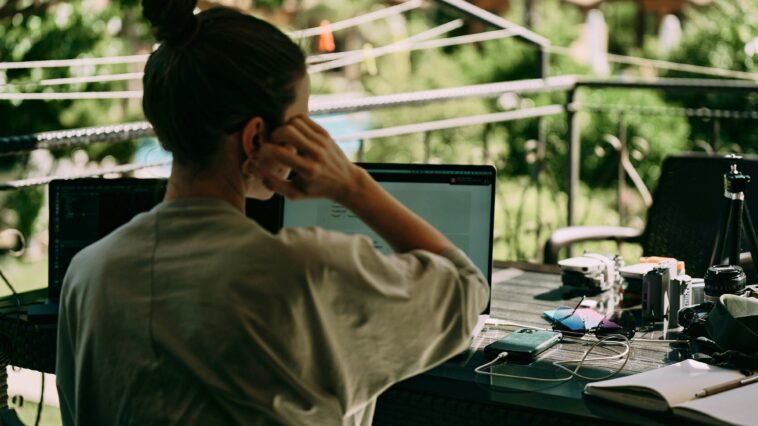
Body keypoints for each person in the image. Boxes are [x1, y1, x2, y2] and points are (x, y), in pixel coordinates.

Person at [55, 0, 489, 425]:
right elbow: (468, 290)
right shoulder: (307, 274)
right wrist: (352, 186)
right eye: (302, 120)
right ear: (256, 138)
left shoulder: (89, 274)